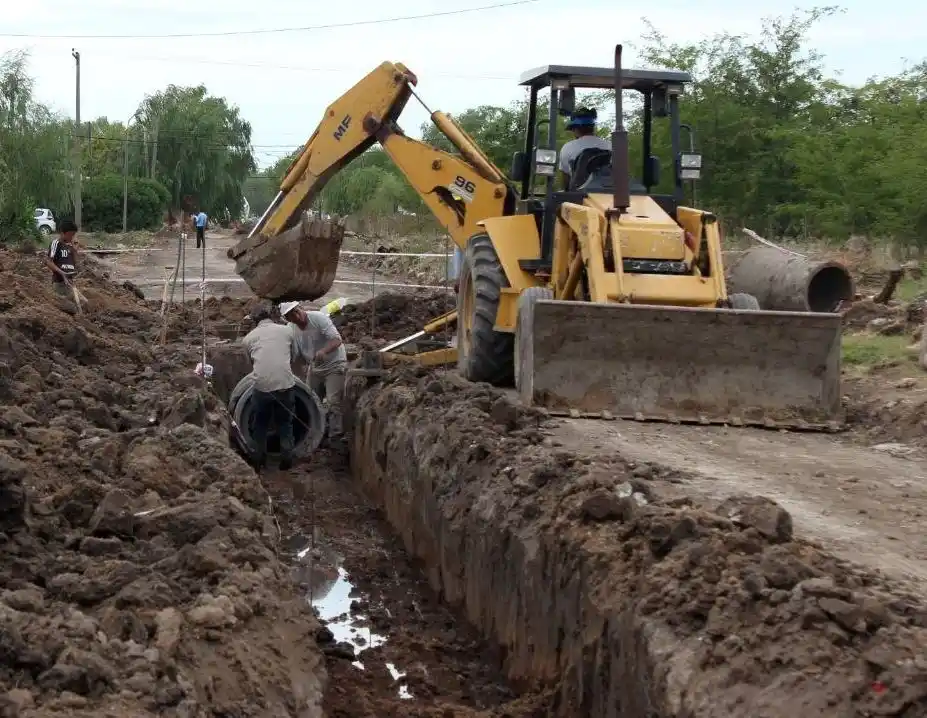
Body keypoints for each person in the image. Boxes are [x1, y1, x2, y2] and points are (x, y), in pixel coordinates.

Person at [241, 302, 298, 470]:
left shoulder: (248, 339)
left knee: (260, 424)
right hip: (285, 385)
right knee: (285, 423)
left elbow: (250, 364)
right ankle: (287, 458)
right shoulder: (287, 330)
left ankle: (258, 461)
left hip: (262, 388)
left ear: (254, 321)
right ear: (271, 316)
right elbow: (293, 356)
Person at [279, 300, 347, 441]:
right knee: (311, 400)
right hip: (315, 366)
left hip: (334, 364)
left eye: (297, 311)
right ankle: (316, 432)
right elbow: (296, 355)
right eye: (292, 316)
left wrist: (323, 351)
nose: (297, 317)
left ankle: (335, 435)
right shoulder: (291, 328)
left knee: (333, 401)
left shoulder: (318, 318)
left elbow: (337, 339)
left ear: (301, 308)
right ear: (288, 319)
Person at [558, 107, 611, 189]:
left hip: (579, 197)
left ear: (575, 129)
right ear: (593, 127)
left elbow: (566, 180)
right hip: (608, 195)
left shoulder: (567, 147)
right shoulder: (610, 146)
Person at [45, 218, 79, 298]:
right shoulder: (56, 243)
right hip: (59, 283)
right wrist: (62, 273)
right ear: (63, 233)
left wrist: (74, 250)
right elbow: (49, 262)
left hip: (69, 283)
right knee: (76, 306)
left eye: (74, 235)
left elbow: (75, 264)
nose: (72, 237)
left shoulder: (70, 246)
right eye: (71, 234)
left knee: (85, 304)